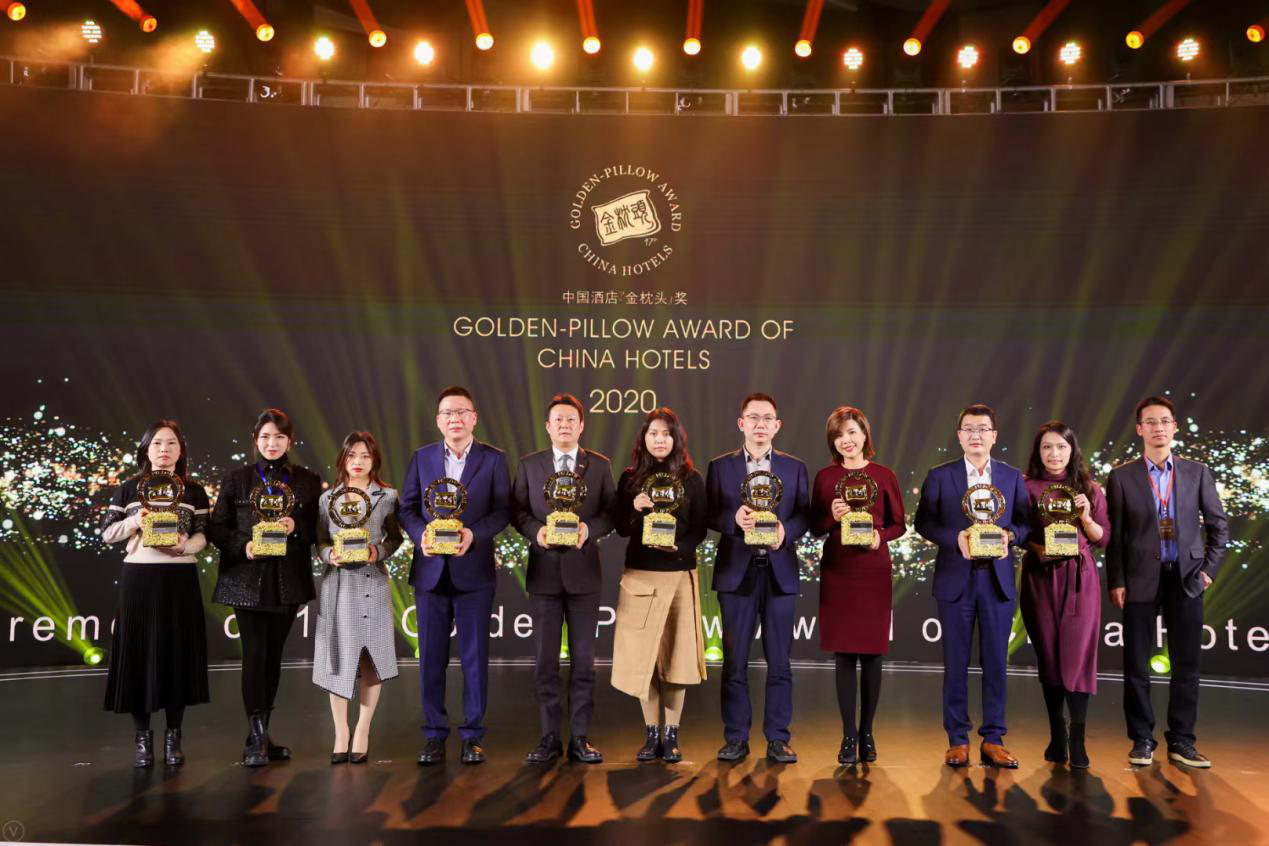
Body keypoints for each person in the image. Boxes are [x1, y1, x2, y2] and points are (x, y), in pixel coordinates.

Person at [1107, 395, 1228, 768]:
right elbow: (1116, 537)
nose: (1158, 428)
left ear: (1174, 427)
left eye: (1164, 421)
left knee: (1186, 665)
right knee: (1136, 665)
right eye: (1150, 422)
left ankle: (1182, 741)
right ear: (1139, 429)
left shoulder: (1197, 472)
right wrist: (1117, 580)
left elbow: (1218, 526)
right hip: (1139, 579)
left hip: (1187, 579)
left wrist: (1207, 570)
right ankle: (1142, 740)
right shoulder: (1121, 476)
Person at [400, 386, 510, 766]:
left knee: (474, 659)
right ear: (438, 420)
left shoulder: (494, 460)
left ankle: (472, 735)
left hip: (473, 572)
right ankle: (434, 735)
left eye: (462, 412)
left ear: (474, 417)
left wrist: (473, 535)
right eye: (448, 412)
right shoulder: (422, 458)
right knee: (431, 659)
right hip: (431, 572)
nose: (455, 418)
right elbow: (407, 509)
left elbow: (502, 511)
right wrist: (421, 536)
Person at [914, 403, 1029, 769]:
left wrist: (1011, 536)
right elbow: (923, 523)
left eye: (982, 429)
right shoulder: (940, 476)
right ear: (959, 436)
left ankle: (993, 738)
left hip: (996, 581)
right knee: (956, 663)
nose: (975, 435)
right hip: (956, 579)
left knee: (996, 662)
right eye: (968, 428)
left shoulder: (1012, 477)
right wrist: (956, 538)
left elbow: (1025, 523)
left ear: (994, 436)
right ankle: (957, 739)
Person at [208, 408, 321, 767]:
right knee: (255, 655)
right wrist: (244, 546)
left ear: (290, 440)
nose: (272, 444)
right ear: (255, 440)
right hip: (247, 578)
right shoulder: (237, 479)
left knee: (272, 658)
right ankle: (256, 736)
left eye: (279, 437)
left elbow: (317, 530)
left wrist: (296, 526)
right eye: (265, 437)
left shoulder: (307, 480)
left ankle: (261, 733)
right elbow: (217, 527)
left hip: (287, 580)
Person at [511, 393, 617, 764]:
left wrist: (589, 529)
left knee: (584, 662)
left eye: (571, 419)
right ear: (548, 426)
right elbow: (517, 511)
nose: (565, 425)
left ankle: (581, 738)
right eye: (558, 419)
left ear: (581, 425)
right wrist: (536, 532)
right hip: (544, 575)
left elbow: (612, 513)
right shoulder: (530, 465)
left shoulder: (599, 465)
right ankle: (549, 738)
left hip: (584, 576)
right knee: (545, 662)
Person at [706, 392, 810, 764]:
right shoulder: (720, 467)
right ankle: (736, 737)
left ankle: (779, 738)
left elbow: (804, 515)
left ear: (777, 426)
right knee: (734, 661)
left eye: (767, 418)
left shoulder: (795, 468)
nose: (760, 424)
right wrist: (732, 520)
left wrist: (786, 531)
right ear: (742, 423)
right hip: (737, 574)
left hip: (779, 573)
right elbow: (708, 514)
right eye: (753, 417)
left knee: (780, 662)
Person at [100, 419, 211, 768]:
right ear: (146, 450)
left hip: (180, 578)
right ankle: (143, 738)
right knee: (139, 654)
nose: (164, 449)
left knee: (176, 654)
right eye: (158, 443)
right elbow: (107, 533)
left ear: (181, 450)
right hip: (139, 579)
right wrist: (136, 521)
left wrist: (184, 546)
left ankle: (173, 736)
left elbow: (204, 535)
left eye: (171, 443)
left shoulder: (194, 491)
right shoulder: (129, 488)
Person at [809, 407, 905, 765]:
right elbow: (814, 526)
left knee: (873, 655)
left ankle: (867, 732)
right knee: (844, 655)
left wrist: (880, 537)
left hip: (873, 570)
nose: (846, 440)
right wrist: (830, 517)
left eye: (851, 432)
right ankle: (848, 734)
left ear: (864, 434)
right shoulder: (824, 477)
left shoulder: (884, 475)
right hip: (839, 571)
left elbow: (899, 524)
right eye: (838, 435)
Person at [611, 408, 707, 763]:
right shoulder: (630, 478)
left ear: (676, 438)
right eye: (653, 433)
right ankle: (651, 733)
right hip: (640, 576)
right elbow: (620, 527)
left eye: (666, 434)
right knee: (644, 660)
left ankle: (672, 734)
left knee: (677, 659)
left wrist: (679, 548)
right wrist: (635, 509)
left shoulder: (692, 479)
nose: (660, 440)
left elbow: (700, 528)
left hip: (679, 575)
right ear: (644, 439)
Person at [1020, 421, 1110, 769]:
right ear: (1038, 452)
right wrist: (1038, 549)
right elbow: (1018, 531)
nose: (1054, 453)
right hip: (1041, 579)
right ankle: (1057, 733)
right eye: (1047, 447)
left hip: (1079, 579)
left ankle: (1078, 738)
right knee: (1049, 657)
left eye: (1061, 446)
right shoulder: (1026, 487)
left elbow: (1103, 537)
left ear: (1072, 450)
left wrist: (1085, 518)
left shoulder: (1089, 488)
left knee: (1078, 656)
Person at [313, 431, 403, 765]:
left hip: (373, 582)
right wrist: (329, 556)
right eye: (352, 455)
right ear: (343, 459)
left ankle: (363, 729)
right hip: (339, 584)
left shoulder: (388, 496)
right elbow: (320, 541)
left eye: (365, 455)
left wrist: (376, 551)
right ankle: (341, 732)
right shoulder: (327, 498)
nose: (358, 461)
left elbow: (395, 538)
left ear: (374, 459)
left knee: (371, 659)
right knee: (338, 658)